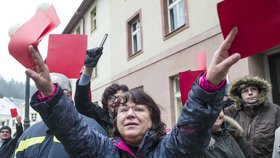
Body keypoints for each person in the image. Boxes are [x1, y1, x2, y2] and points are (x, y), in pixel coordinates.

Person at [25, 27, 240, 157]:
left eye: (138, 109)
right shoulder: (101, 150)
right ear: (114, 122)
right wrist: (52, 95)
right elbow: (72, 129)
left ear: (154, 118)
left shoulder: (171, 149)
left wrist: (209, 85)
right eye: (122, 110)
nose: (129, 113)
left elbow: (194, 123)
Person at [13, 73, 107, 158]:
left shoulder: (92, 128)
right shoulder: (28, 134)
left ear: (68, 95)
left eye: (52, 91)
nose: (47, 97)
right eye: (44, 92)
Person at [75, 48, 129, 135]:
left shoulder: (132, 117)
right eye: (112, 98)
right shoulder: (100, 117)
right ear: (106, 102)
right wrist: (88, 68)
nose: (116, 101)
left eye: (120, 98)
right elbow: (82, 102)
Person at [225, 75, 280, 158]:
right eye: (245, 91)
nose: (250, 93)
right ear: (240, 96)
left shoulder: (275, 110)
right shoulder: (230, 112)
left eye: (253, 89)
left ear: (260, 92)